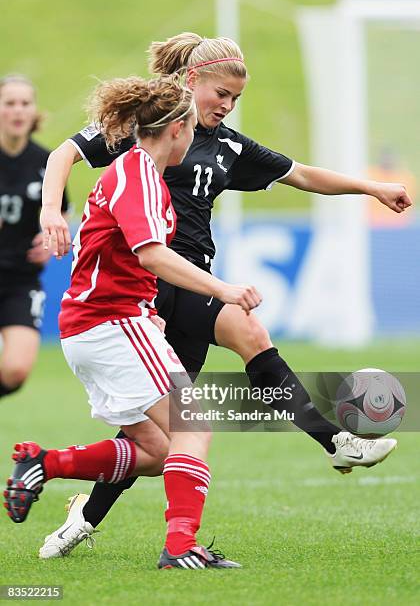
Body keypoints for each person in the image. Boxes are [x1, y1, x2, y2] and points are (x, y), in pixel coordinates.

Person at [37, 33, 410, 559]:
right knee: (172, 419)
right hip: (148, 283)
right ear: (193, 81)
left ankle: (86, 515)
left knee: (172, 430)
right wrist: (52, 209)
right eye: (221, 95)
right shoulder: (154, 122)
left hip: (186, 282)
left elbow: (300, 174)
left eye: (235, 99)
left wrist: (371, 187)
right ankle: (335, 441)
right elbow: (64, 153)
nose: (228, 106)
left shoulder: (228, 144)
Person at [4, 74, 262, 569]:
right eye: (193, 128)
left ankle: (42, 462)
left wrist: (149, 312)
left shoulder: (133, 172)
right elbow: (152, 255)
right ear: (177, 129)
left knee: (155, 450)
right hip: (110, 323)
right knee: (195, 427)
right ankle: (181, 547)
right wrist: (224, 290)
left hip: (98, 326)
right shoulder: (139, 173)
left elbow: (120, 257)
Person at [0, 74, 69, 400]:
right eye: (9, 103)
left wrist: (49, 238)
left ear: (34, 111)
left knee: (15, 371)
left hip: (20, 279)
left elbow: (62, 212)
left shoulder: (46, 162)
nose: (18, 110)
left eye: (24, 103)